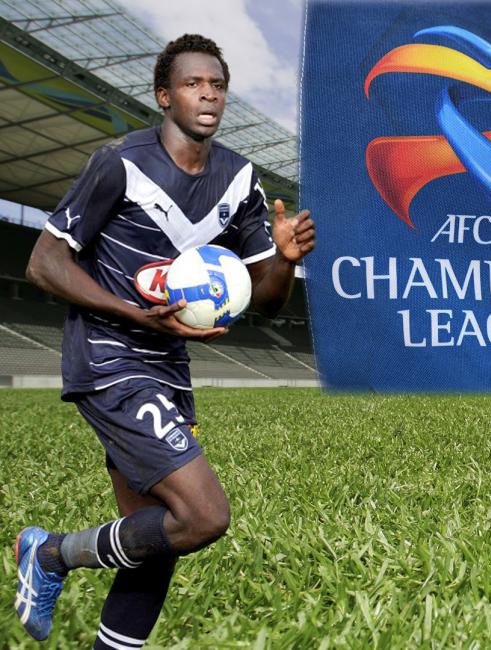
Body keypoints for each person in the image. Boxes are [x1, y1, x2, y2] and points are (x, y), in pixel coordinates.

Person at [15, 34, 315, 646]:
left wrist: (282, 259)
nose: (208, 94)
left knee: (153, 536)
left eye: (218, 84)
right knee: (203, 515)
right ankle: (51, 556)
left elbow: (269, 299)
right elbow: (44, 264)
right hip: (109, 357)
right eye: (192, 83)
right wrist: (133, 311)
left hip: (169, 365)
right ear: (163, 95)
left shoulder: (239, 178)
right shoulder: (120, 162)